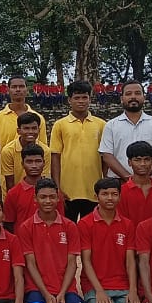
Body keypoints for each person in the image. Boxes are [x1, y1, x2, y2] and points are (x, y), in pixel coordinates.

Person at [19, 180, 85, 303]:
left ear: (58, 198)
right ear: (35, 199)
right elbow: (30, 264)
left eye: (52, 197)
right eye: (43, 197)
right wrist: (46, 294)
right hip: (37, 288)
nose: (48, 201)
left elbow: (72, 263)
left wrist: (62, 293)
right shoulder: (26, 227)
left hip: (65, 288)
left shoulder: (70, 226)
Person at [79, 178, 141, 303]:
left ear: (120, 196)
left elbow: (130, 261)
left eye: (114, 194)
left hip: (122, 284)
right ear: (96, 197)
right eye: (105, 194)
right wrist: (99, 291)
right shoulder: (85, 224)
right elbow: (86, 262)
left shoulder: (127, 224)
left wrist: (133, 290)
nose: (110, 198)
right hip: (95, 285)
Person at [49, 80, 106, 220]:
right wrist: (57, 188)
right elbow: (55, 157)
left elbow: (105, 157)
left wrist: (104, 185)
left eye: (84, 97)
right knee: (67, 228)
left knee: (91, 228)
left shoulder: (101, 125)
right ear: (69, 100)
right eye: (77, 97)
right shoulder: (60, 125)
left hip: (94, 189)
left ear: (90, 99)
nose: (81, 101)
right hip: (68, 190)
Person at [98, 81, 152, 179]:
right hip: (120, 182)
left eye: (137, 93)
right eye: (128, 94)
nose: (133, 97)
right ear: (121, 99)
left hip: (150, 183)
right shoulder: (111, 125)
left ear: (144, 97)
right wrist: (127, 178)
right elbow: (107, 155)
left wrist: (144, 177)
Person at [3, 144, 60, 230]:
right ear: (22, 164)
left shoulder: (54, 193)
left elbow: (60, 223)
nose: (34, 166)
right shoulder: (13, 194)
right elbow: (8, 224)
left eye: (38, 161)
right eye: (29, 162)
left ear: (44, 163)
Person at [0, 75, 48, 155]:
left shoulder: (38, 118)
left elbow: (43, 147)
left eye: (21, 86)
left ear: (27, 90)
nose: (18, 89)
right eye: (14, 87)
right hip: (6, 162)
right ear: (8, 90)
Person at [0, 112, 50, 190]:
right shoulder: (8, 151)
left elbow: (42, 178)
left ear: (39, 130)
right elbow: (9, 182)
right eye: (26, 128)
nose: (30, 132)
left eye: (34, 128)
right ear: (18, 131)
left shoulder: (45, 150)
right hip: (15, 192)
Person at [117, 141, 152, 227]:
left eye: (146, 159)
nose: (142, 164)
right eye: (137, 160)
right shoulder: (121, 192)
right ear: (129, 162)